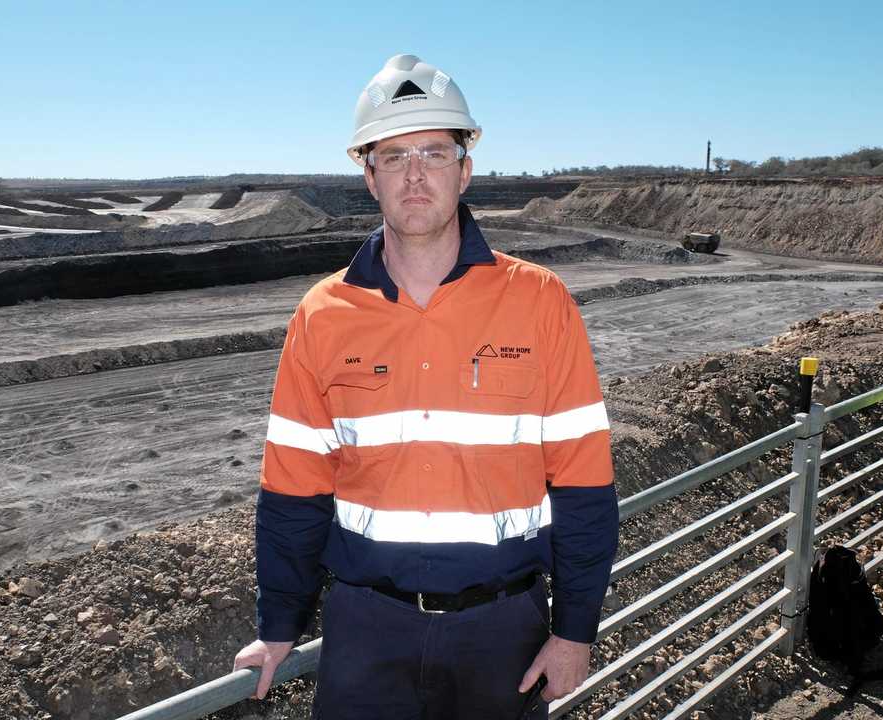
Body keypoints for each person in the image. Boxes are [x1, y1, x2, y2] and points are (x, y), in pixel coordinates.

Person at [232, 54, 618, 719]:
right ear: (368, 175)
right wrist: (278, 626)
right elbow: (294, 491)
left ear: (465, 170)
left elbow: (584, 486)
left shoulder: (541, 302)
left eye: (434, 153)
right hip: (364, 630)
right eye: (395, 155)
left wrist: (574, 629)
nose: (415, 175)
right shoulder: (322, 316)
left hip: (503, 632)